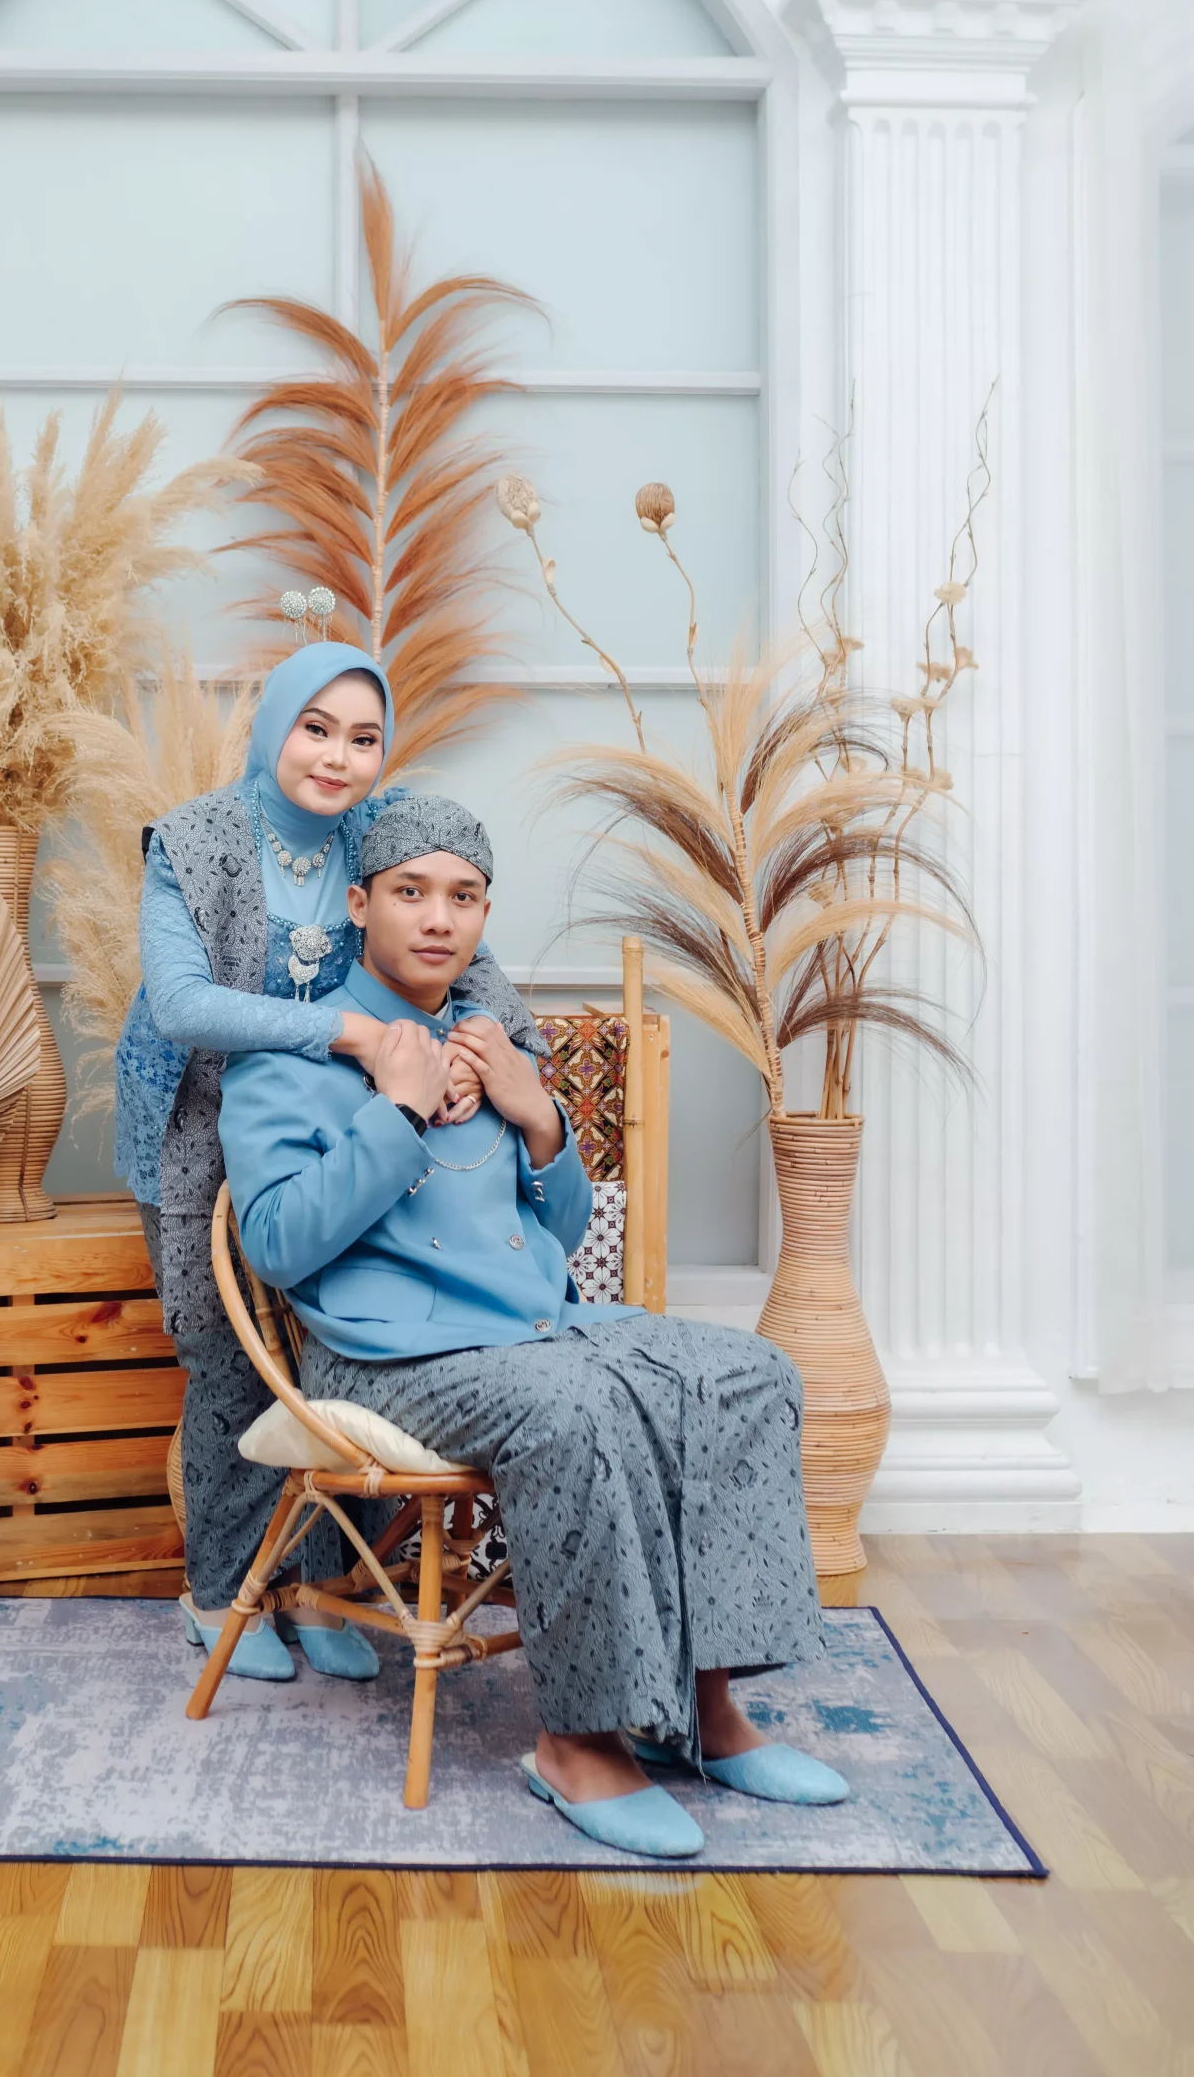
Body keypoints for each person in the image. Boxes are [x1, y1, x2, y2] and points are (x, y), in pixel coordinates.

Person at [217, 795, 848, 1858]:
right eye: (410, 892)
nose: (438, 918)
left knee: (749, 1373)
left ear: (483, 912)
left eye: (463, 897)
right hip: (381, 1355)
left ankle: (703, 1708)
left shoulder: (494, 1044)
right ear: (359, 904)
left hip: (530, 1328)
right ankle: (577, 1744)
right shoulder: (289, 1059)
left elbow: (554, 1234)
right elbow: (276, 1246)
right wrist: (397, 1107)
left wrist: (537, 1114)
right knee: (573, 1408)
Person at [115, 646, 542, 1682]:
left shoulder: (374, 833)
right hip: (195, 1123)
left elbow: (476, 972)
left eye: (362, 738)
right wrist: (350, 1031)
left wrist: (470, 1057)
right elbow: (181, 1005)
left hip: (342, 1126)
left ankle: (319, 1589)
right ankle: (220, 1593)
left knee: (334, 1344)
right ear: (273, 726)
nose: (336, 758)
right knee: (228, 1359)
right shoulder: (195, 841)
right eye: (315, 729)